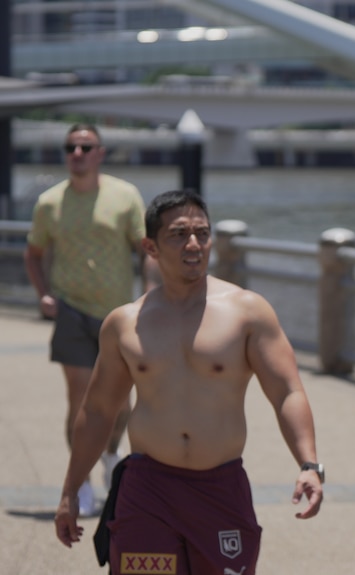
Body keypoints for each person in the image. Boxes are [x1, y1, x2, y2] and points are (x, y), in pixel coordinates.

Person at [54, 189, 324, 574]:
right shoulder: (125, 323)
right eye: (179, 234)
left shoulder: (247, 312)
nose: (194, 244)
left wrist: (309, 464)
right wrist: (70, 491)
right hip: (148, 491)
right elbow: (98, 411)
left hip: (220, 489)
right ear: (150, 246)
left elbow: (287, 392)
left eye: (202, 233)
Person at [24, 123, 159, 517]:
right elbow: (33, 253)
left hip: (118, 316)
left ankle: (111, 456)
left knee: (121, 402)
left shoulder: (125, 195)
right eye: (71, 147)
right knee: (81, 400)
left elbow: (146, 249)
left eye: (85, 147)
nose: (77, 154)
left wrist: (151, 294)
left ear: (100, 152)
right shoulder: (49, 202)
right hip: (71, 311)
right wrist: (43, 294)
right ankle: (79, 480)